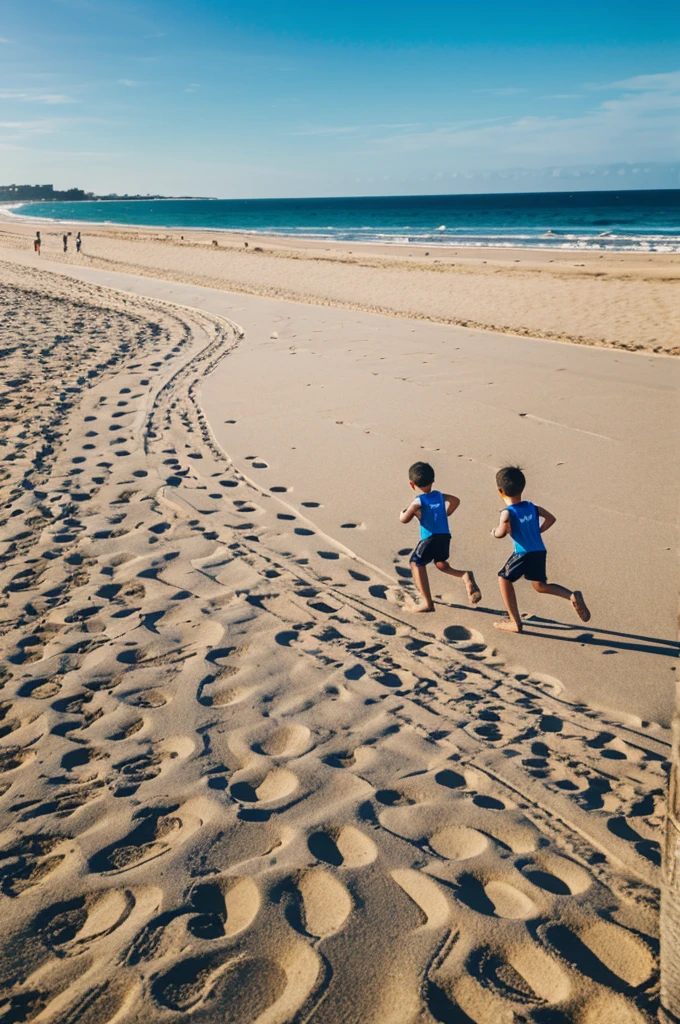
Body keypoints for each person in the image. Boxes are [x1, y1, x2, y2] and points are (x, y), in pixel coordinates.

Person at [491, 465, 590, 633]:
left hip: (523, 553)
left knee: (503, 578)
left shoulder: (507, 512)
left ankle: (515, 622)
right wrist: (538, 531)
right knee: (540, 585)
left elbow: (501, 533)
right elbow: (551, 518)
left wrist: (494, 532)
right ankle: (571, 595)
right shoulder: (532, 507)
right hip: (539, 550)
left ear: (500, 491)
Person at [400, 461, 482, 612]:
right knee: (440, 563)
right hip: (444, 537)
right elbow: (455, 500)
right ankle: (464, 575)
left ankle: (427, 602)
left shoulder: (418, 501)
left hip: (430, 537)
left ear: (412, 484)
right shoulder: (439, 496)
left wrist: (402, 513)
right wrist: (447, 512)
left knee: (416, 563)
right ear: (433, 481)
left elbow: (405, 519)